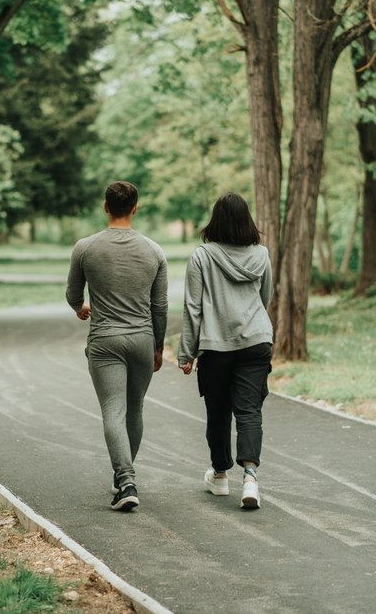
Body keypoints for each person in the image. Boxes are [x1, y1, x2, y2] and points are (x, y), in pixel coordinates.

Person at [66, 181, 168, 511]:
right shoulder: (154, 251)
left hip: (105, 341)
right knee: (134, 409)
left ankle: (125, 479)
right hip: (141, 339)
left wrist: (81, 307)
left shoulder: (85, 248)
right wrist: (158, 345)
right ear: (135, 208)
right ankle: (124, 477)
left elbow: (72, 294)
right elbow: (160, 305)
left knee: (113, 410)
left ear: (106, 207)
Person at [177, 193, 273, 509]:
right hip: (256, 341)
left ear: (215, 220)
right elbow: (266, 296)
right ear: (248, 221)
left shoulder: (202, 256)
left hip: (215, 346)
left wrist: (186, 352)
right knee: (249, 411)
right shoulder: (262, 255)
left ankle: (219, 475)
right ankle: (250, 479)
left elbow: (192, 308)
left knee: (218, 413)